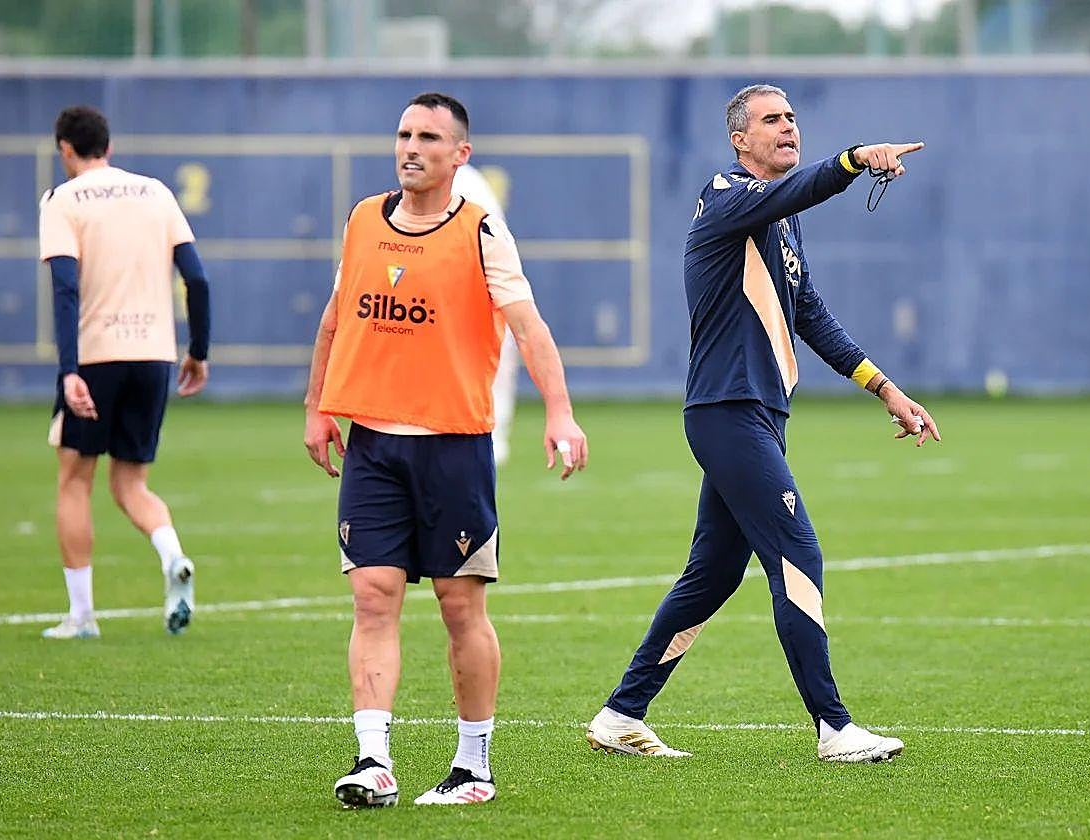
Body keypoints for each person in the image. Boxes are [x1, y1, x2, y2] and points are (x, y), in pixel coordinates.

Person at [586, 84, 940, 763]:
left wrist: (886, 388)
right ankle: (834, 727)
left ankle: (620, 714)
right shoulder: (727, 198)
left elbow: (811, 315)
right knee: (799, 556)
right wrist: (855, 159)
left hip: (758, 416)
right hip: (727, 413)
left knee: (712, 576)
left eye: (792, 118)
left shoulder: (781, 217)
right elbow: (803, 189)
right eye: (771, 120)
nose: (787, 128)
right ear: (740, 140)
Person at [303, 92, 587, 807]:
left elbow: (528, 327)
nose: (411, 147)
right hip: (371, 443)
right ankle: (373, 761)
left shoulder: (482, 230)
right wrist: (318, 408)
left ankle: (473, 766)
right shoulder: (363, 220)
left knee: (461, 608)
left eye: (429, 137)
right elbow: (337, 320)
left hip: (454, 446)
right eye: (403, 133)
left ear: (459, 154)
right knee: (373, 598)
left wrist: (560, 411)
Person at [37, 105, 211, 640]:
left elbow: (66, 290)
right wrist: (198, 351)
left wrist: (70, 371)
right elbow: (197, 280)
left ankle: (82, 615)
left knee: (74, 480)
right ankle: (173, 557)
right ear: (107, 146)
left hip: (95, 358)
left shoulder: (62, 200)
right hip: (154, 355)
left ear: (66, 148)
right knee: (132, 482)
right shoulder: (156, 192)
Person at [452, 163, 519, 466]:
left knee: (499, 360)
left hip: (483, 293)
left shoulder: (467, 183)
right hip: (451, 297)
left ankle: (493, 433)